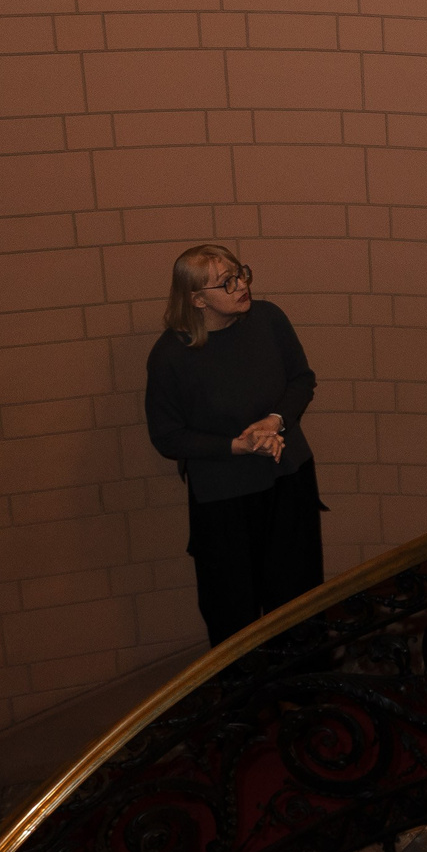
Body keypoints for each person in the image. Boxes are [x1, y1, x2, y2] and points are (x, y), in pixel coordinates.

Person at [143, 245, 324, 647]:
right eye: (227, 282)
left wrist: (275, 421)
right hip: (224, 499)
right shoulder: (171, 355)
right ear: (197, 298)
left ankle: (307, 693)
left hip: (288, 477)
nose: (241, 285)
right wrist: (237, 446)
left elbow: (301, 380)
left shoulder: (269, 318)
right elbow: (167, 436)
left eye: (240, 274)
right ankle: (245, 702)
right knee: (232, 607)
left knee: (299, 594)